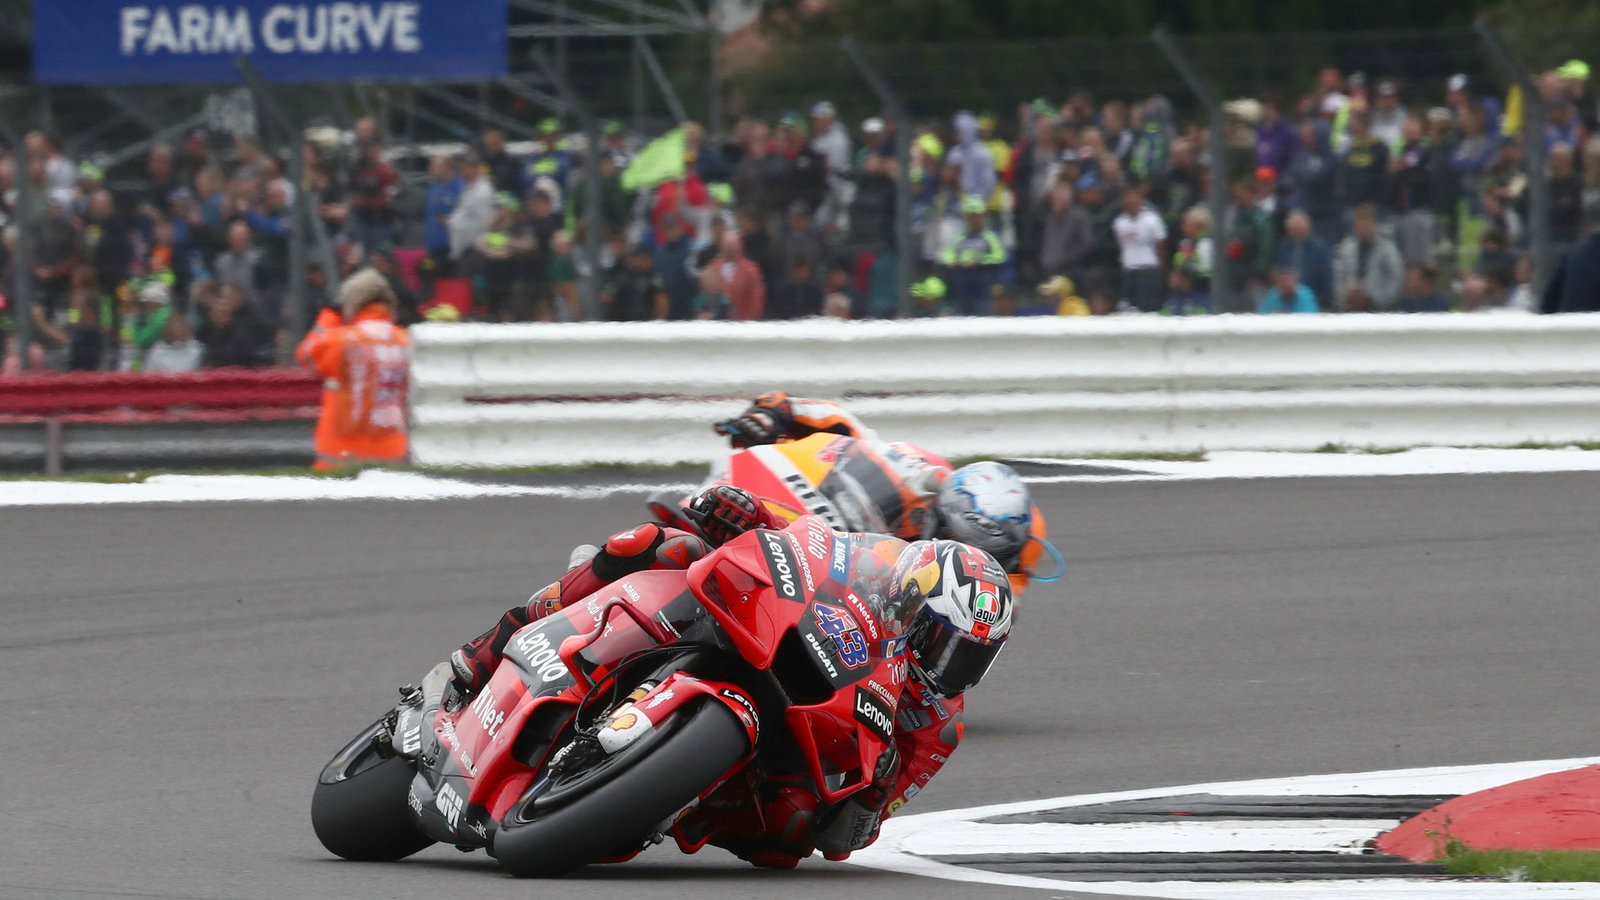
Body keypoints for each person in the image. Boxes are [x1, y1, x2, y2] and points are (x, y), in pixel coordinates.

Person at [445, 484, 1017, 869]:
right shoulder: (872, 566)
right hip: (766, 633)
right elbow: (808, 538)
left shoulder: (936, 724)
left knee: (792, 836)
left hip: (803, 738)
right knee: (656, 546)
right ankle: (493, 645)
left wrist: (869, 797)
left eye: (967, 657)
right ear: (908, 601)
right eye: (940, 641)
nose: (947, 668)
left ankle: (672, 797)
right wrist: (746, 514)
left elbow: (853, 837)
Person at [711, 392, 1052, 589]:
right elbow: (853, 432)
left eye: (964, 547)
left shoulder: (1001, 579)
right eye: (948, 533)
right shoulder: (923, 470)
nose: (950, 549)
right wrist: (778, 411)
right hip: (798, 524)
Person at [294, 268, 411, 469]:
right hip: (393, 455)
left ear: (351, 303)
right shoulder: (406, 341)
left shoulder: (342, 340)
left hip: (340, 458)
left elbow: (306, 354)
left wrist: (330, 315)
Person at [1333, 203, 1403, 312]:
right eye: (1359, 222)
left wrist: (1371, 296)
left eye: (1366, 221)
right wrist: (1345, 295)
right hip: (1350, 307)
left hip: (1379, 309)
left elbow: (1396, 279)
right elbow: (1338, 276)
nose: (1362, 226)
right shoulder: (1347, 248)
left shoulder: (1388, 249)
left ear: (1374, 223)